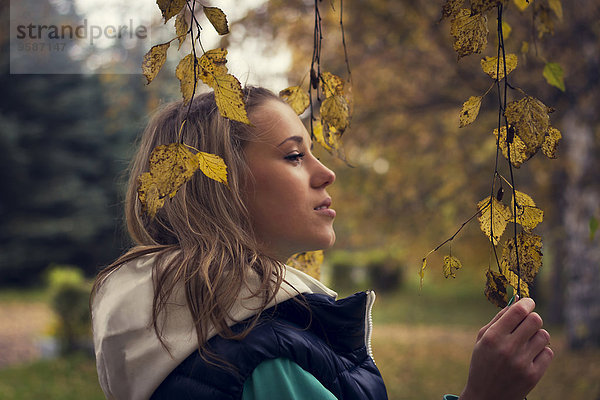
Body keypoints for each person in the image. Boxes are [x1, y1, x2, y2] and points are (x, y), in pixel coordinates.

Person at [91, 87, 554, 400]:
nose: (326, 172)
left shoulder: (190, 331)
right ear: (221, 183)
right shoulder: (262, 358)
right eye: (294, 155)